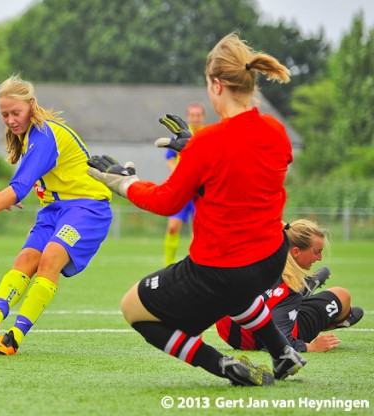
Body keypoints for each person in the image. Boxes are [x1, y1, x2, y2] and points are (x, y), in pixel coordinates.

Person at [88, 33, 306, 386]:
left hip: (220, 270)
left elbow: (167, 201)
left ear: (217, 84)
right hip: (270, 260)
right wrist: (195, 150)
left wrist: (124, 182)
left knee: (133, 308)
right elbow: (239, 174)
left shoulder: (209, 142)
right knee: (239, 293)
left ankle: (222, 366)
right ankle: (283, 352)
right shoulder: (276, 130)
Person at [0, 75, 112, 355]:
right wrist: (2, 196)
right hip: (54, 210)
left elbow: (18, 188)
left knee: (50, 258)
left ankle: (14, 337)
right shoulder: (28, 137)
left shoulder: (44, 135)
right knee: (26, 259)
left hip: (87, 208)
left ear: (32, 106)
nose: (10, 119)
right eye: (4, 114)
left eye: (15, 112)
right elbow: (23, 185)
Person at [216, 219, 364, 353]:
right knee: (342, 295)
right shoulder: (288, 287)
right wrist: (311, 347)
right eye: (317, 252)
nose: (320, 258)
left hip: (231, 334)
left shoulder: (258, 250)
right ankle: (311, 294)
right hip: (257, 339)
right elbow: (277, 343)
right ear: (296, 252)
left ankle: (305, 287)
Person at [161, 103, 205, 267]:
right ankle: (168, 263)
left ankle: (197, 263)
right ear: (188, 117)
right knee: (173, 227)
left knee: (199, 231)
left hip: (200, 190)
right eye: (192, 115)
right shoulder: (179, 136)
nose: (195, 118)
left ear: (203, 117)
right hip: (182, 188)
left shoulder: (207, 135)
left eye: (198, 115)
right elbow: (169, 157)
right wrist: (178, 170)